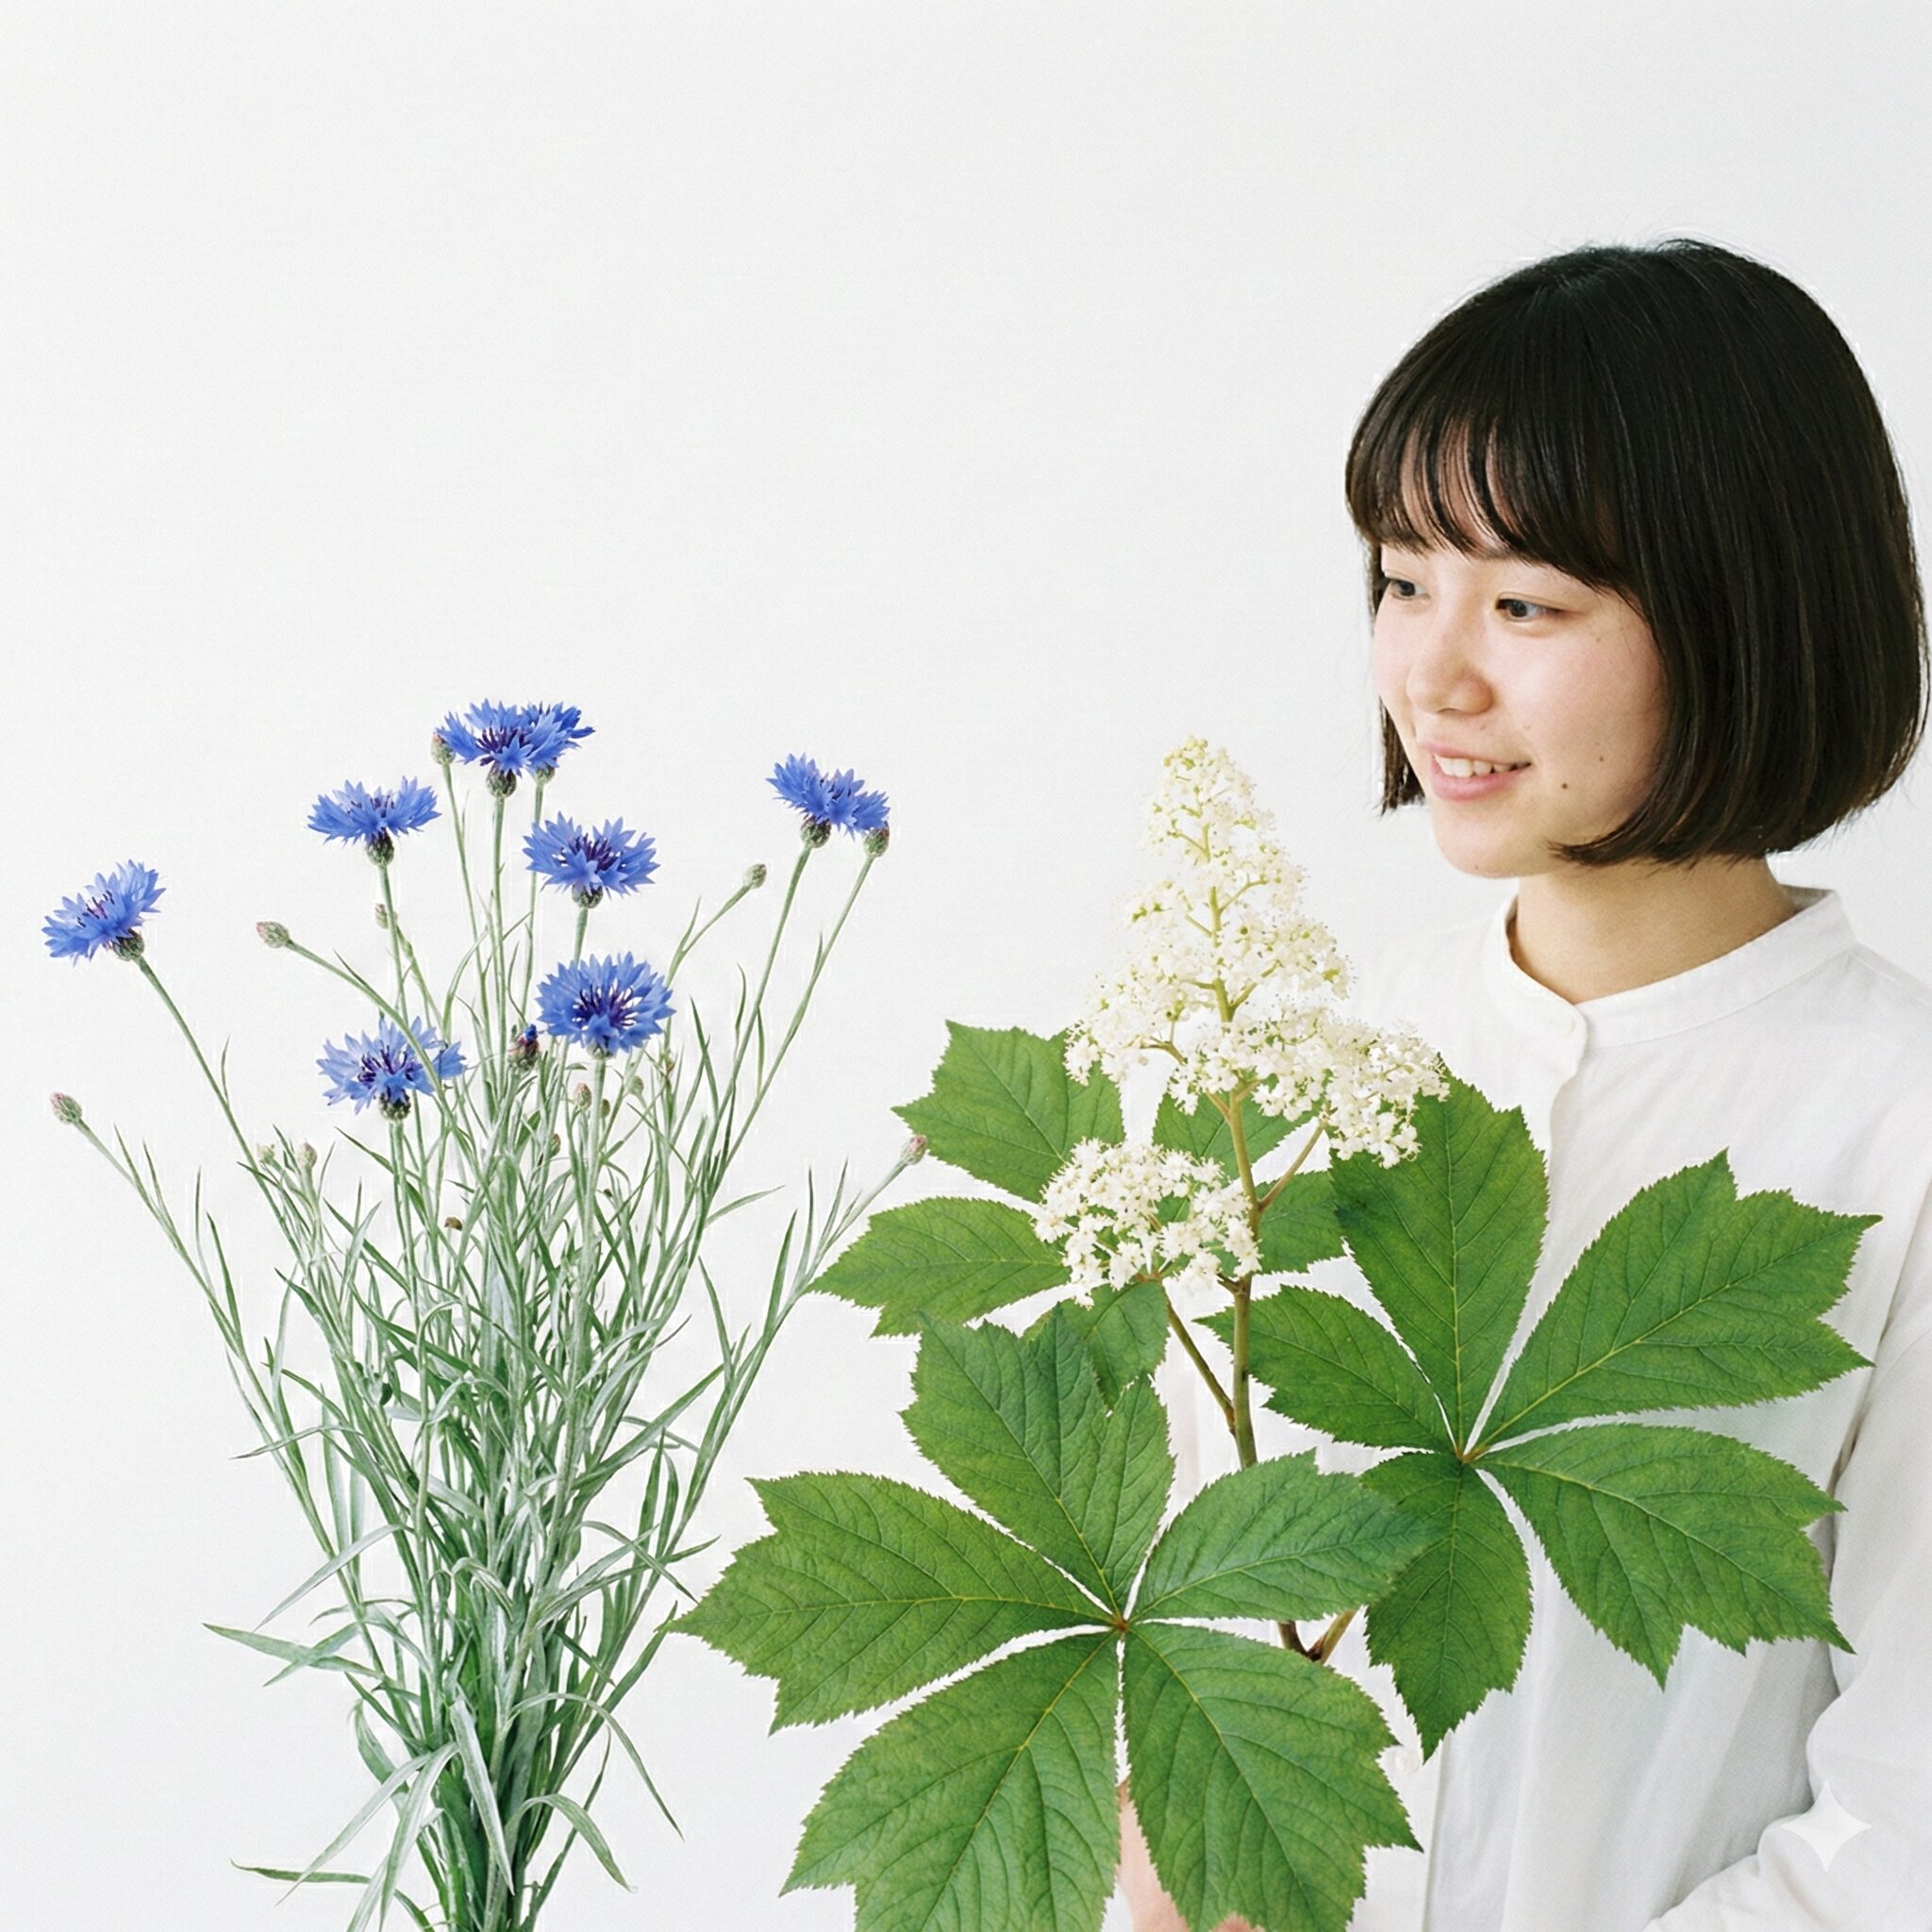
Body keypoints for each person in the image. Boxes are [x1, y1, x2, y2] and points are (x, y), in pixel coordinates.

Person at [1122, 238, 1932, 1930]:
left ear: (1741, 614)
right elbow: (1179, 1620)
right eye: (1402, 581)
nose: (1433, 674)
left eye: (1527, 605)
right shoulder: (1303, 1062)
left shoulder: (1897, 1126)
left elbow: (1903, 1838)